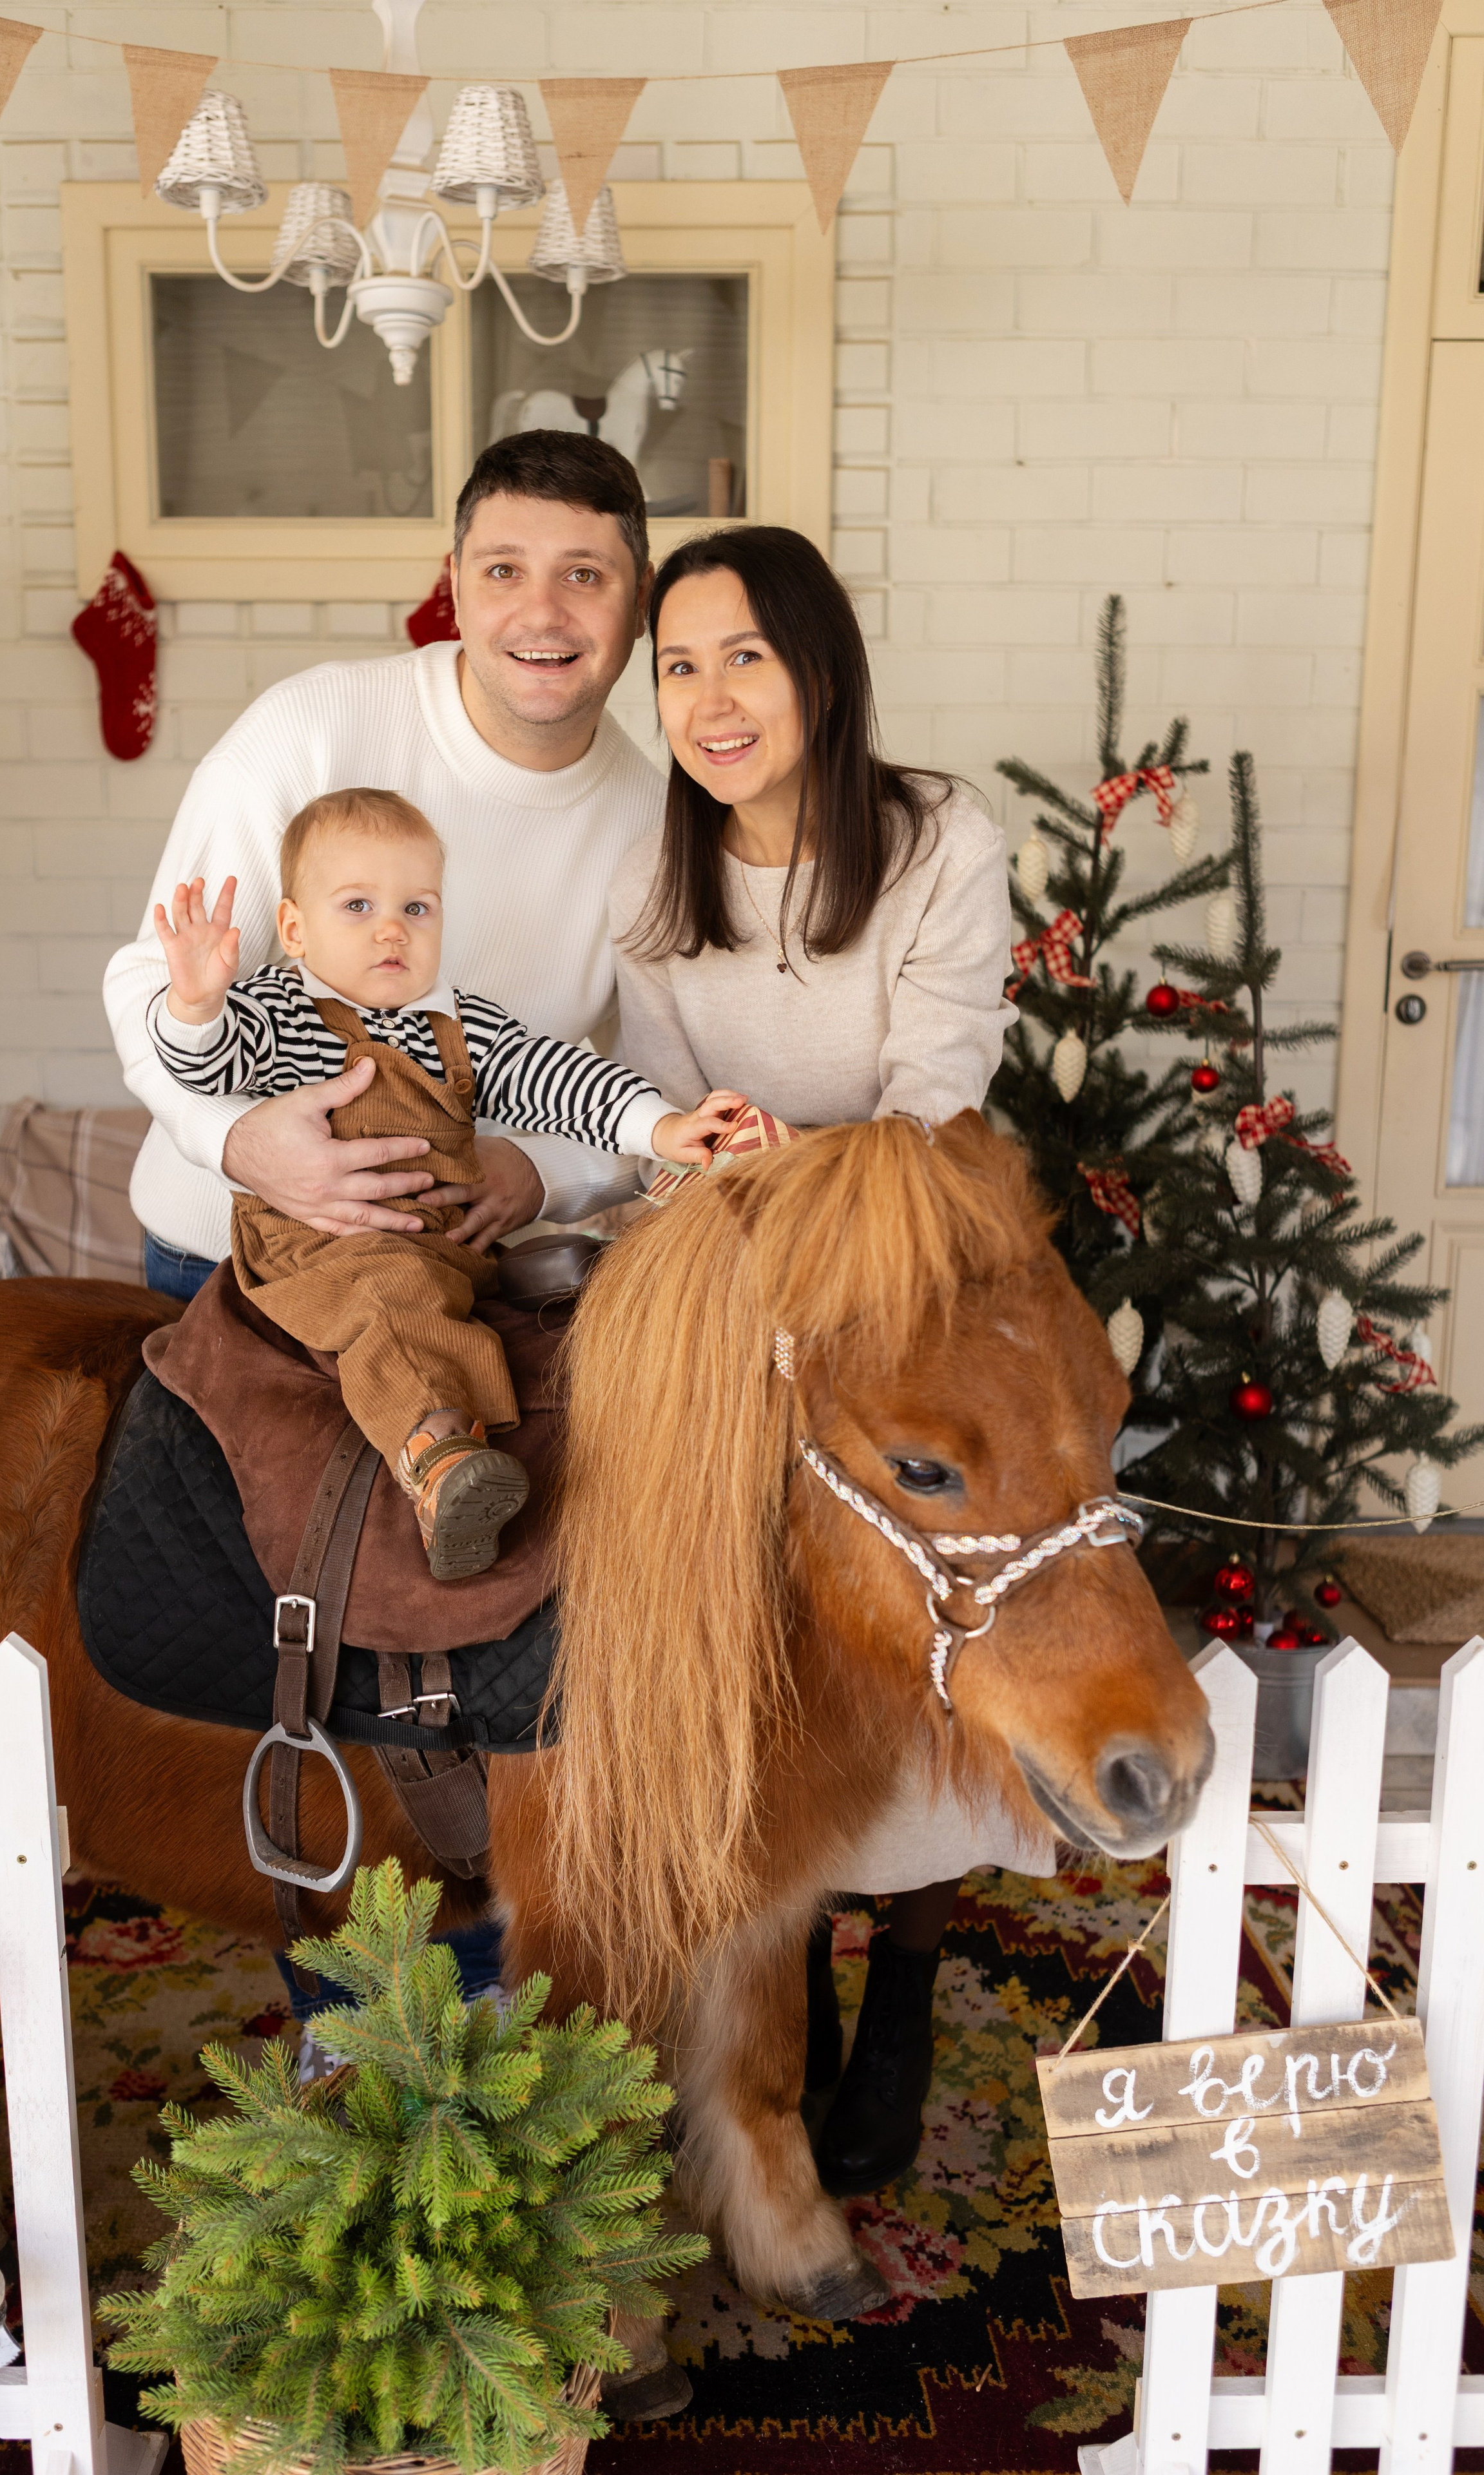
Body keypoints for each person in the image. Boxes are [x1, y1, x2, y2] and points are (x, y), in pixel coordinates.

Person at [608, 524, 1046, 2197]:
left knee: (937, 1587)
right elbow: (660, 1120)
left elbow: (937, 1101)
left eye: (746, 657)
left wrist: (796, 1173)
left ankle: (911, 1971)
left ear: (821, 671)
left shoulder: (938, 839)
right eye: (679, 666)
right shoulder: (659, 882)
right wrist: (699, 1160)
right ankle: (769, 1952)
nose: (710, 699)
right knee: (750, 1610)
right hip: (739, 1274)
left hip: (912, 1259)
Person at [104, 432, 667, 1300]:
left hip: (450, 1273)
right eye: (503, 570)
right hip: (215, 1256)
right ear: (455, 583)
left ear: (641, 601)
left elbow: (659, 1098)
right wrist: (236, 1142)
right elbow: (153, 981)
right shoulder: (308, 727)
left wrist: (541, 1171)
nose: (542, 613)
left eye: (585, 575)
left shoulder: (660, 830)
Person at [147, 786, 740, 1576]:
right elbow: (209, 1067)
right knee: (390, 1297)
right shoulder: (281, 1013)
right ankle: (437, 1457)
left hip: (445, 1244)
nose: (392, 928)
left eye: (417, 908)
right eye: (357, 905)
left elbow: (560, 1079)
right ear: (294, 929)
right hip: (323, 1248)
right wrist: (195, 1005)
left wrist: (662, 1128)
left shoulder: (462, 1024)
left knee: (554, 1293)